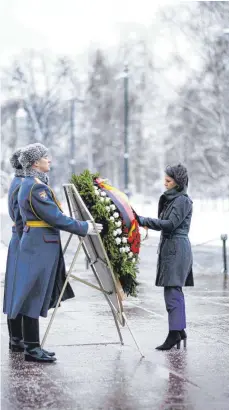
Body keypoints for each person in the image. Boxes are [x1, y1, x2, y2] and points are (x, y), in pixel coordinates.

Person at [6, 143, 102, 363]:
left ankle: (31, 345)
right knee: (33, 295)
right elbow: (54, 217)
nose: (49, 159)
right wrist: (84, 227)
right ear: (34, 163)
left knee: (32, 294)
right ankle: (31, 348)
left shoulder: (32, 184)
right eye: (44, 157)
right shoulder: (35, 187)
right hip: (39, 246)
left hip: (36, 244)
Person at [136, 164, 193, 350]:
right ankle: (179, 330)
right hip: (172, 248)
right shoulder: (174, 199)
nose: (165, 184)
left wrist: (143, 220)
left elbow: (170, 224)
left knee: (172, 292)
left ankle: (174, 333)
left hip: (176, 248)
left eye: (168, 181)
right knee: (173, 290)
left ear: (178, 182)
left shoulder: (182, 200)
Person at [3, 149, 25, 352]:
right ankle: (17, 338)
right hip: (22, 241)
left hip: (19, 239)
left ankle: (17, 337)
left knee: (15, 288)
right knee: (19, 290)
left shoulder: (17, 182)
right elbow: (20, 218)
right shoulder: (22, 185)